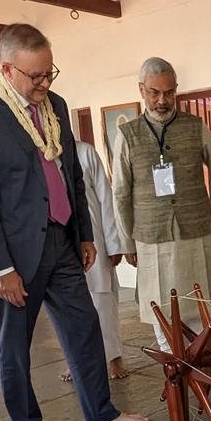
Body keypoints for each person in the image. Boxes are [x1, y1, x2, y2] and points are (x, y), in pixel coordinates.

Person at [0, 23, 146, 421]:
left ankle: (100, 412)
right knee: (14, 345)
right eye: (35, 76)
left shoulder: (55, 105)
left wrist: (82, 233)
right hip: (15, 255)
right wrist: (1, 267)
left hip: (61, 240)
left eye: (49, 73)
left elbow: (70, 175)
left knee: (84, 327)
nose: (44, 83)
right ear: (7, 68)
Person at [111, 57, 211, 352]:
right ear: (142, 90)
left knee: (203, 298)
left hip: (198, 231)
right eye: (155, 92)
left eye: (169, 92)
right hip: (153, 238)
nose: (163, 100)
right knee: (162, 304)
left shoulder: (195, 127)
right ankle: (175, 364)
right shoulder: (127, 135)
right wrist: (127, 242)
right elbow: (121, 193)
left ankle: (202, 358)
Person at [72, 139, 134, 379]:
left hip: (94, 238)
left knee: (103, 302)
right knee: (68, 305)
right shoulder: (36, 154)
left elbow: (106, 199)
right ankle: (76, 360)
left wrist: (113, 243)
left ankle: (114, 358)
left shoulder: (84, 152)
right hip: (60, 241)